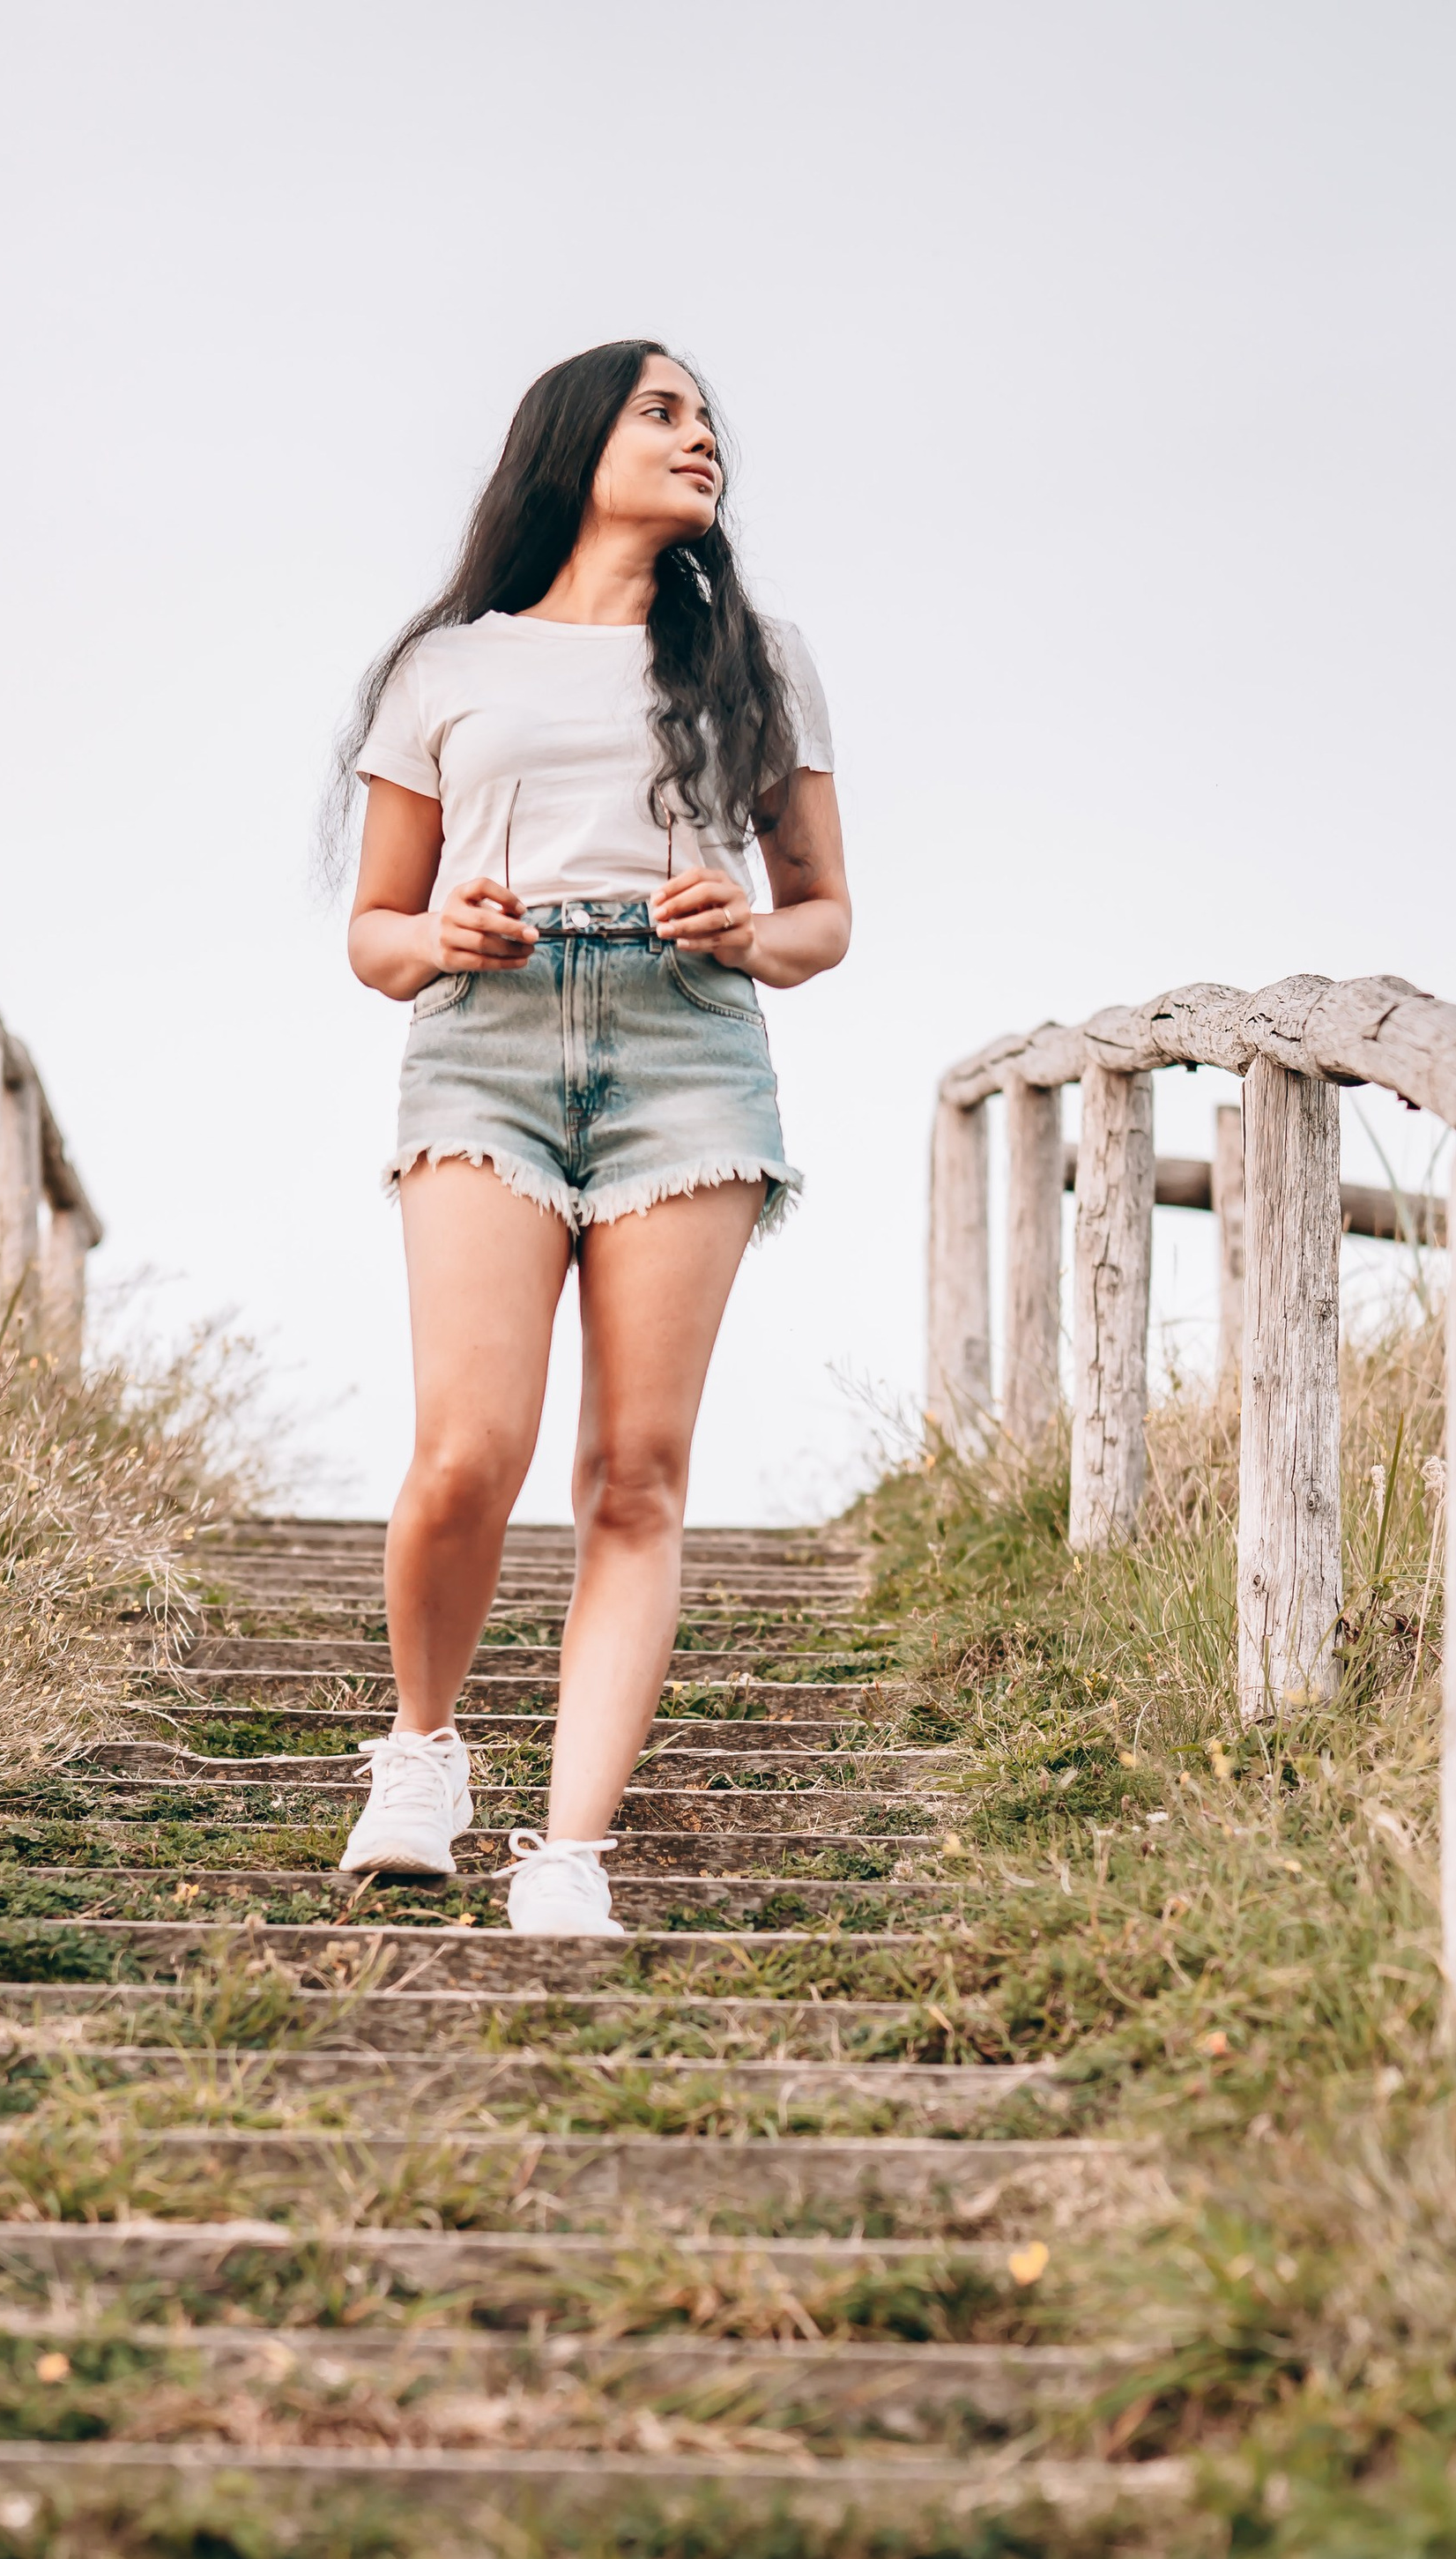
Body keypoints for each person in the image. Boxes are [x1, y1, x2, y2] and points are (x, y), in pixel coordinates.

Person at [334, 338, 851, 1936]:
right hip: (484, 1041)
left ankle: (569, 1856)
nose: (704, 441)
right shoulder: (447, 668)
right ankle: (422, 1749)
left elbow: (826, 916)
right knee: (465, 1456)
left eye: (710, 422)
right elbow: (372, 932)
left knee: (636, 1473)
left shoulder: (758, 663)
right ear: (575, 443)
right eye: (665, 412)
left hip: (688, 1050)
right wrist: (444, 933)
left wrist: (748, 927)